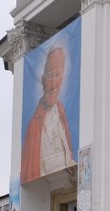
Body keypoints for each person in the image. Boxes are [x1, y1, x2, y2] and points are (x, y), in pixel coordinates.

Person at [21, 46, 75, 183]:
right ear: (43, 81)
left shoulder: (62, 112)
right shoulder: (34, 123)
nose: (53, 85)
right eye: (50, 76)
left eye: (58, 75)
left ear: (63, 77)